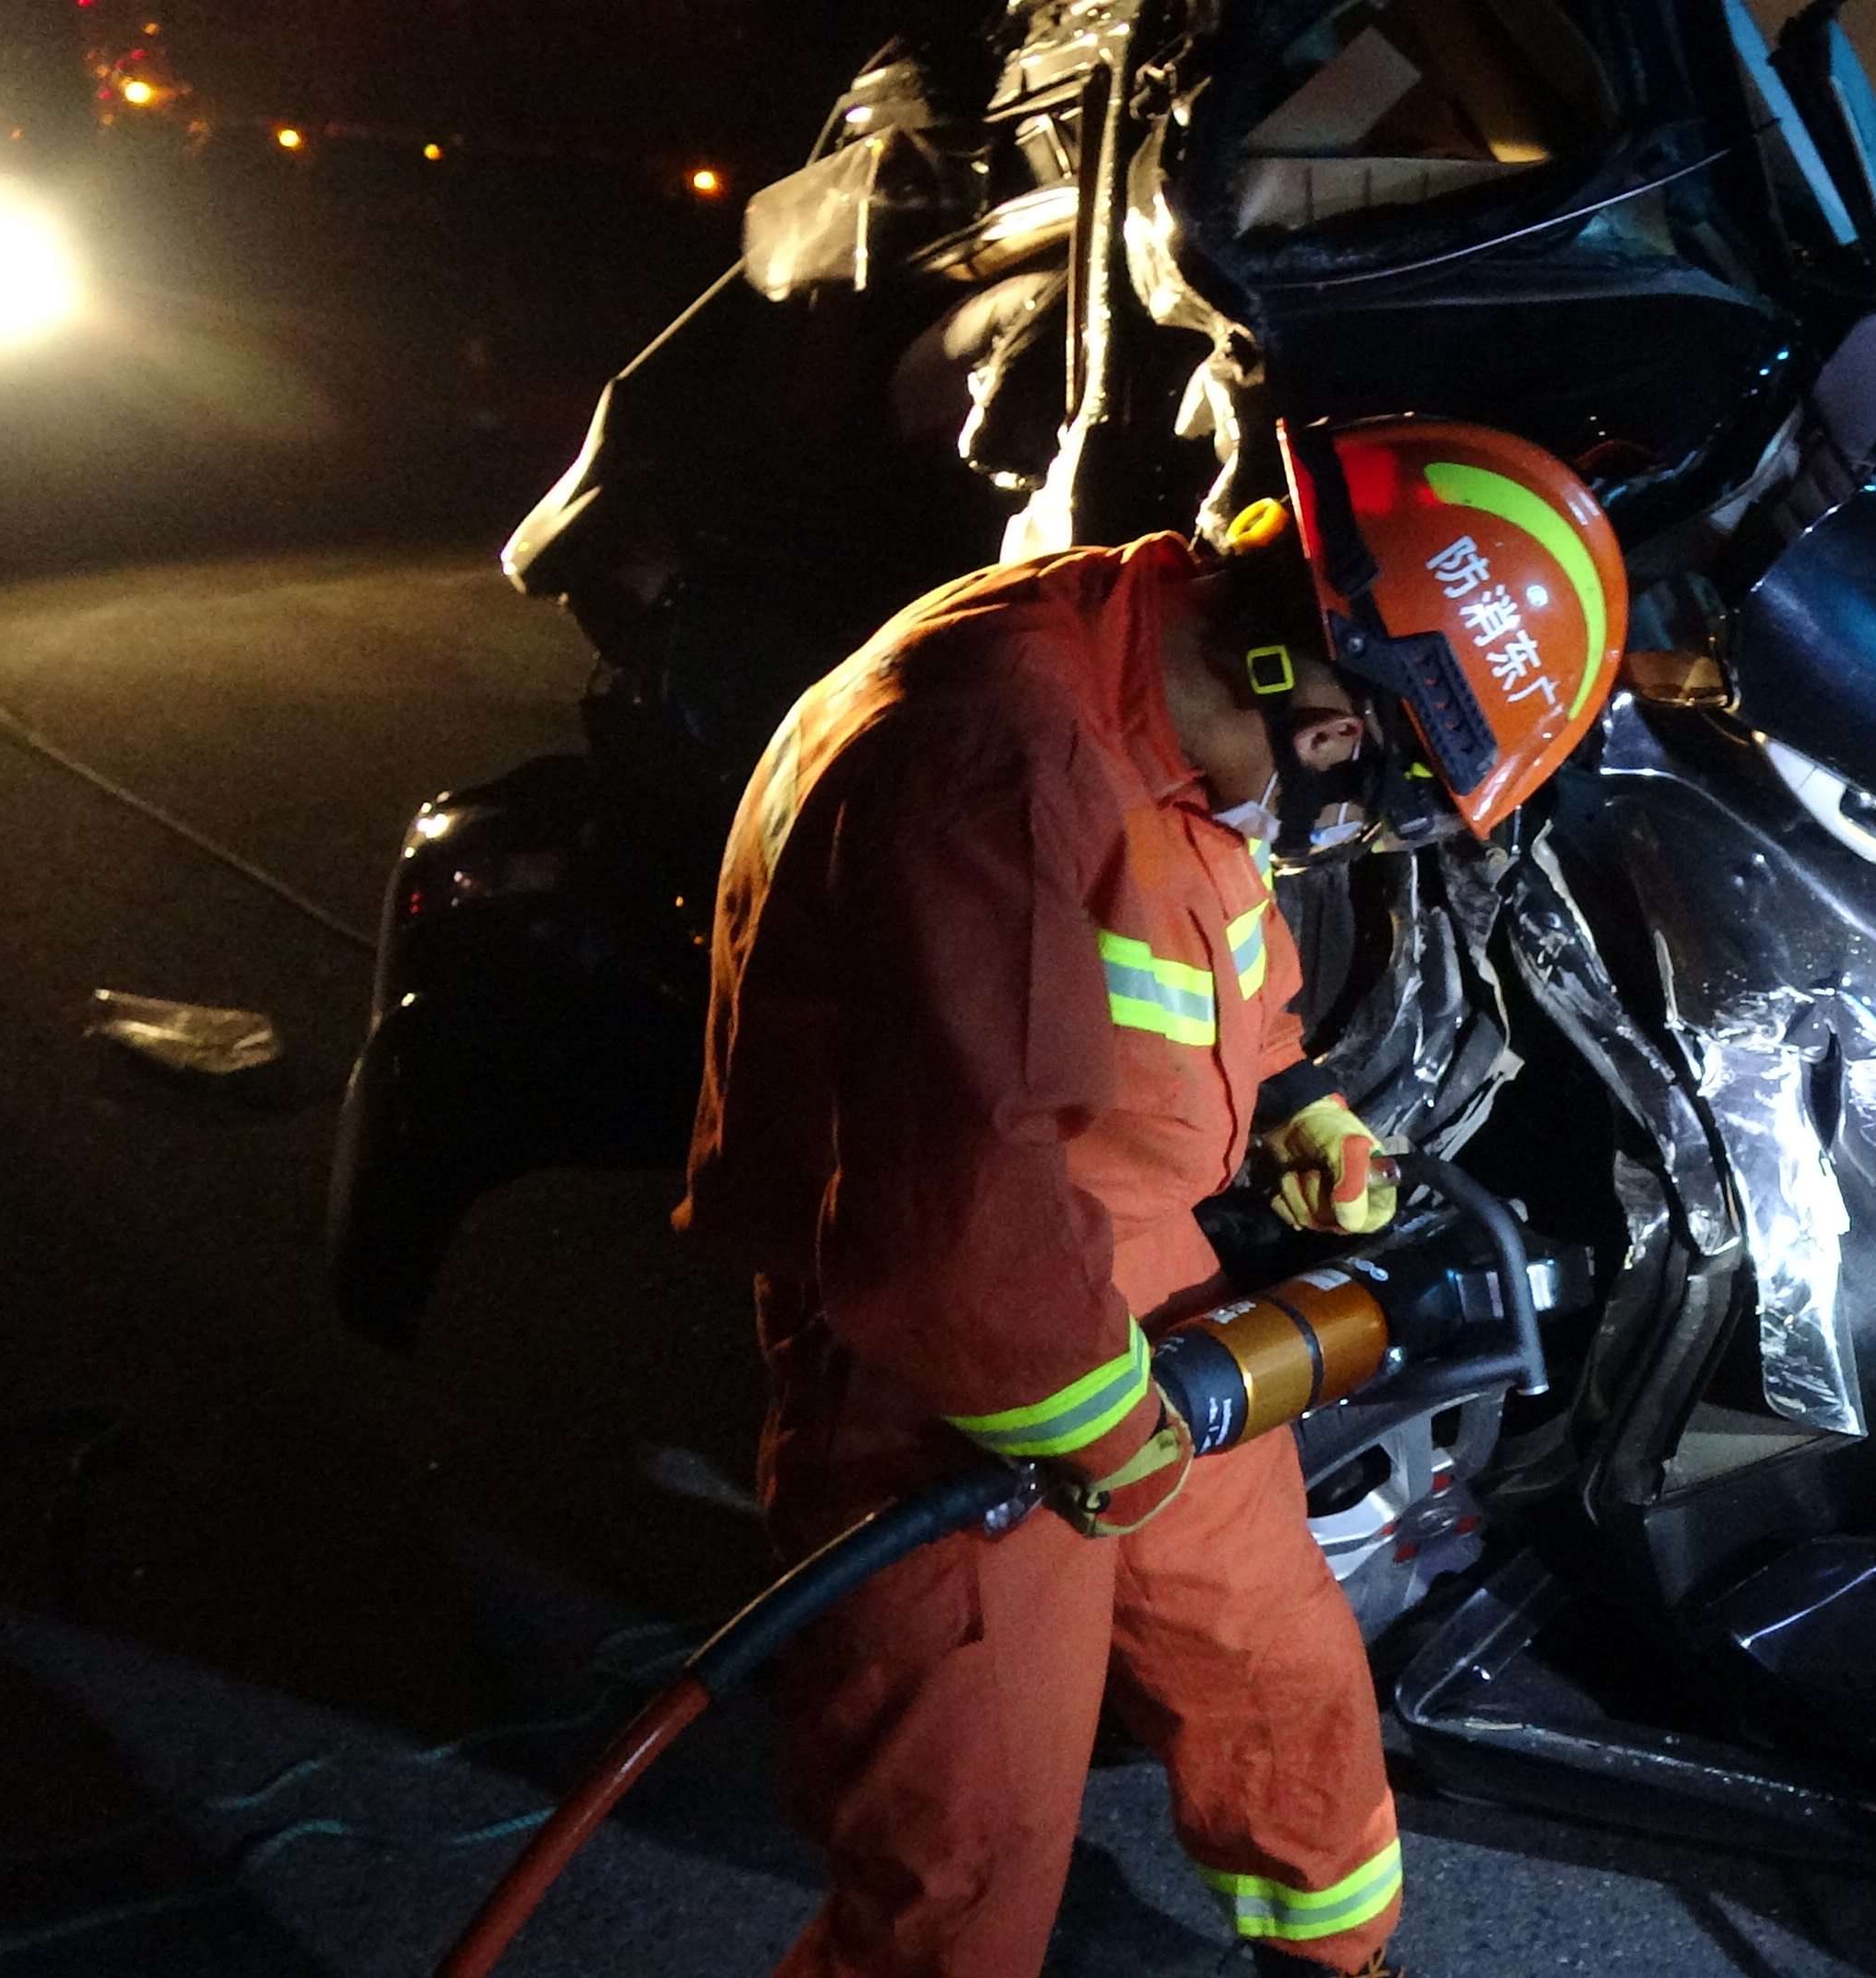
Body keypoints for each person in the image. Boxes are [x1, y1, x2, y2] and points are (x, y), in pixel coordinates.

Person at [675, 418, 1628, 1978]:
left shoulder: (1158, 686)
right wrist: (1098, 1430)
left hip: (1134, 1295)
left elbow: (1211, 951)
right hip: (955, 1369)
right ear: (1330, 719)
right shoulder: (995, 755)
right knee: (962, 1844)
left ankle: (1335, 1962)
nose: (1330, 834)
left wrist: (1299, 1104)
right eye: (1371, 796)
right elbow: (951, 1209)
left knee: (1275, 1663)